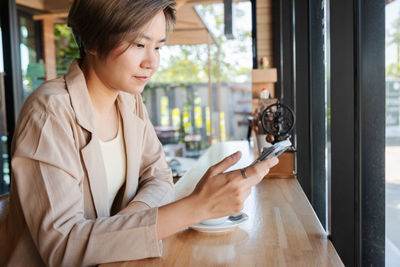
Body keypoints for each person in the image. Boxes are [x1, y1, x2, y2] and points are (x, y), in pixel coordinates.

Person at [0, 0, 278, 266]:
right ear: (94, 40)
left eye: (158, 47)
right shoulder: (49, 113)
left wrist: (128, 223)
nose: (152, 62)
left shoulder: (129, 101)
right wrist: (196, 207)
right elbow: (62, 246)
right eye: (139, 44)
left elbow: (159, 175)